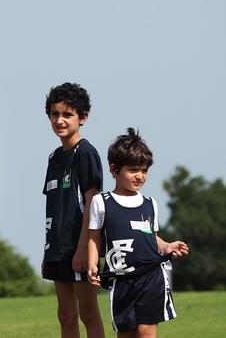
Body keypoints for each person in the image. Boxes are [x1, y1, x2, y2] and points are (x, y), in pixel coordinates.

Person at [88, 128, 189, 337]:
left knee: (145, 332)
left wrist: (168, 246)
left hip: (151, 276)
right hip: (120, 280)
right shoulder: (101, 202)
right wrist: (92, 264)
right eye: (134, 170)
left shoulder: (150, 204)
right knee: (126, 334)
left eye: (144, 170)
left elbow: (152, 238)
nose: (140, 176)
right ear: (114, 169)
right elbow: (94, 237)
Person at [42, 83, 105, 338]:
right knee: (65, 315)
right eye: (55, 114)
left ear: (83, 117)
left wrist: (83, 248)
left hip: (78, 247)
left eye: (67, 115)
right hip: (57, 247)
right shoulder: (54, 158)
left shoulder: (86, 153)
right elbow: (54, 207)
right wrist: (47, 248)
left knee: (88, 313)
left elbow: (93, 204)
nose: (60, 120)